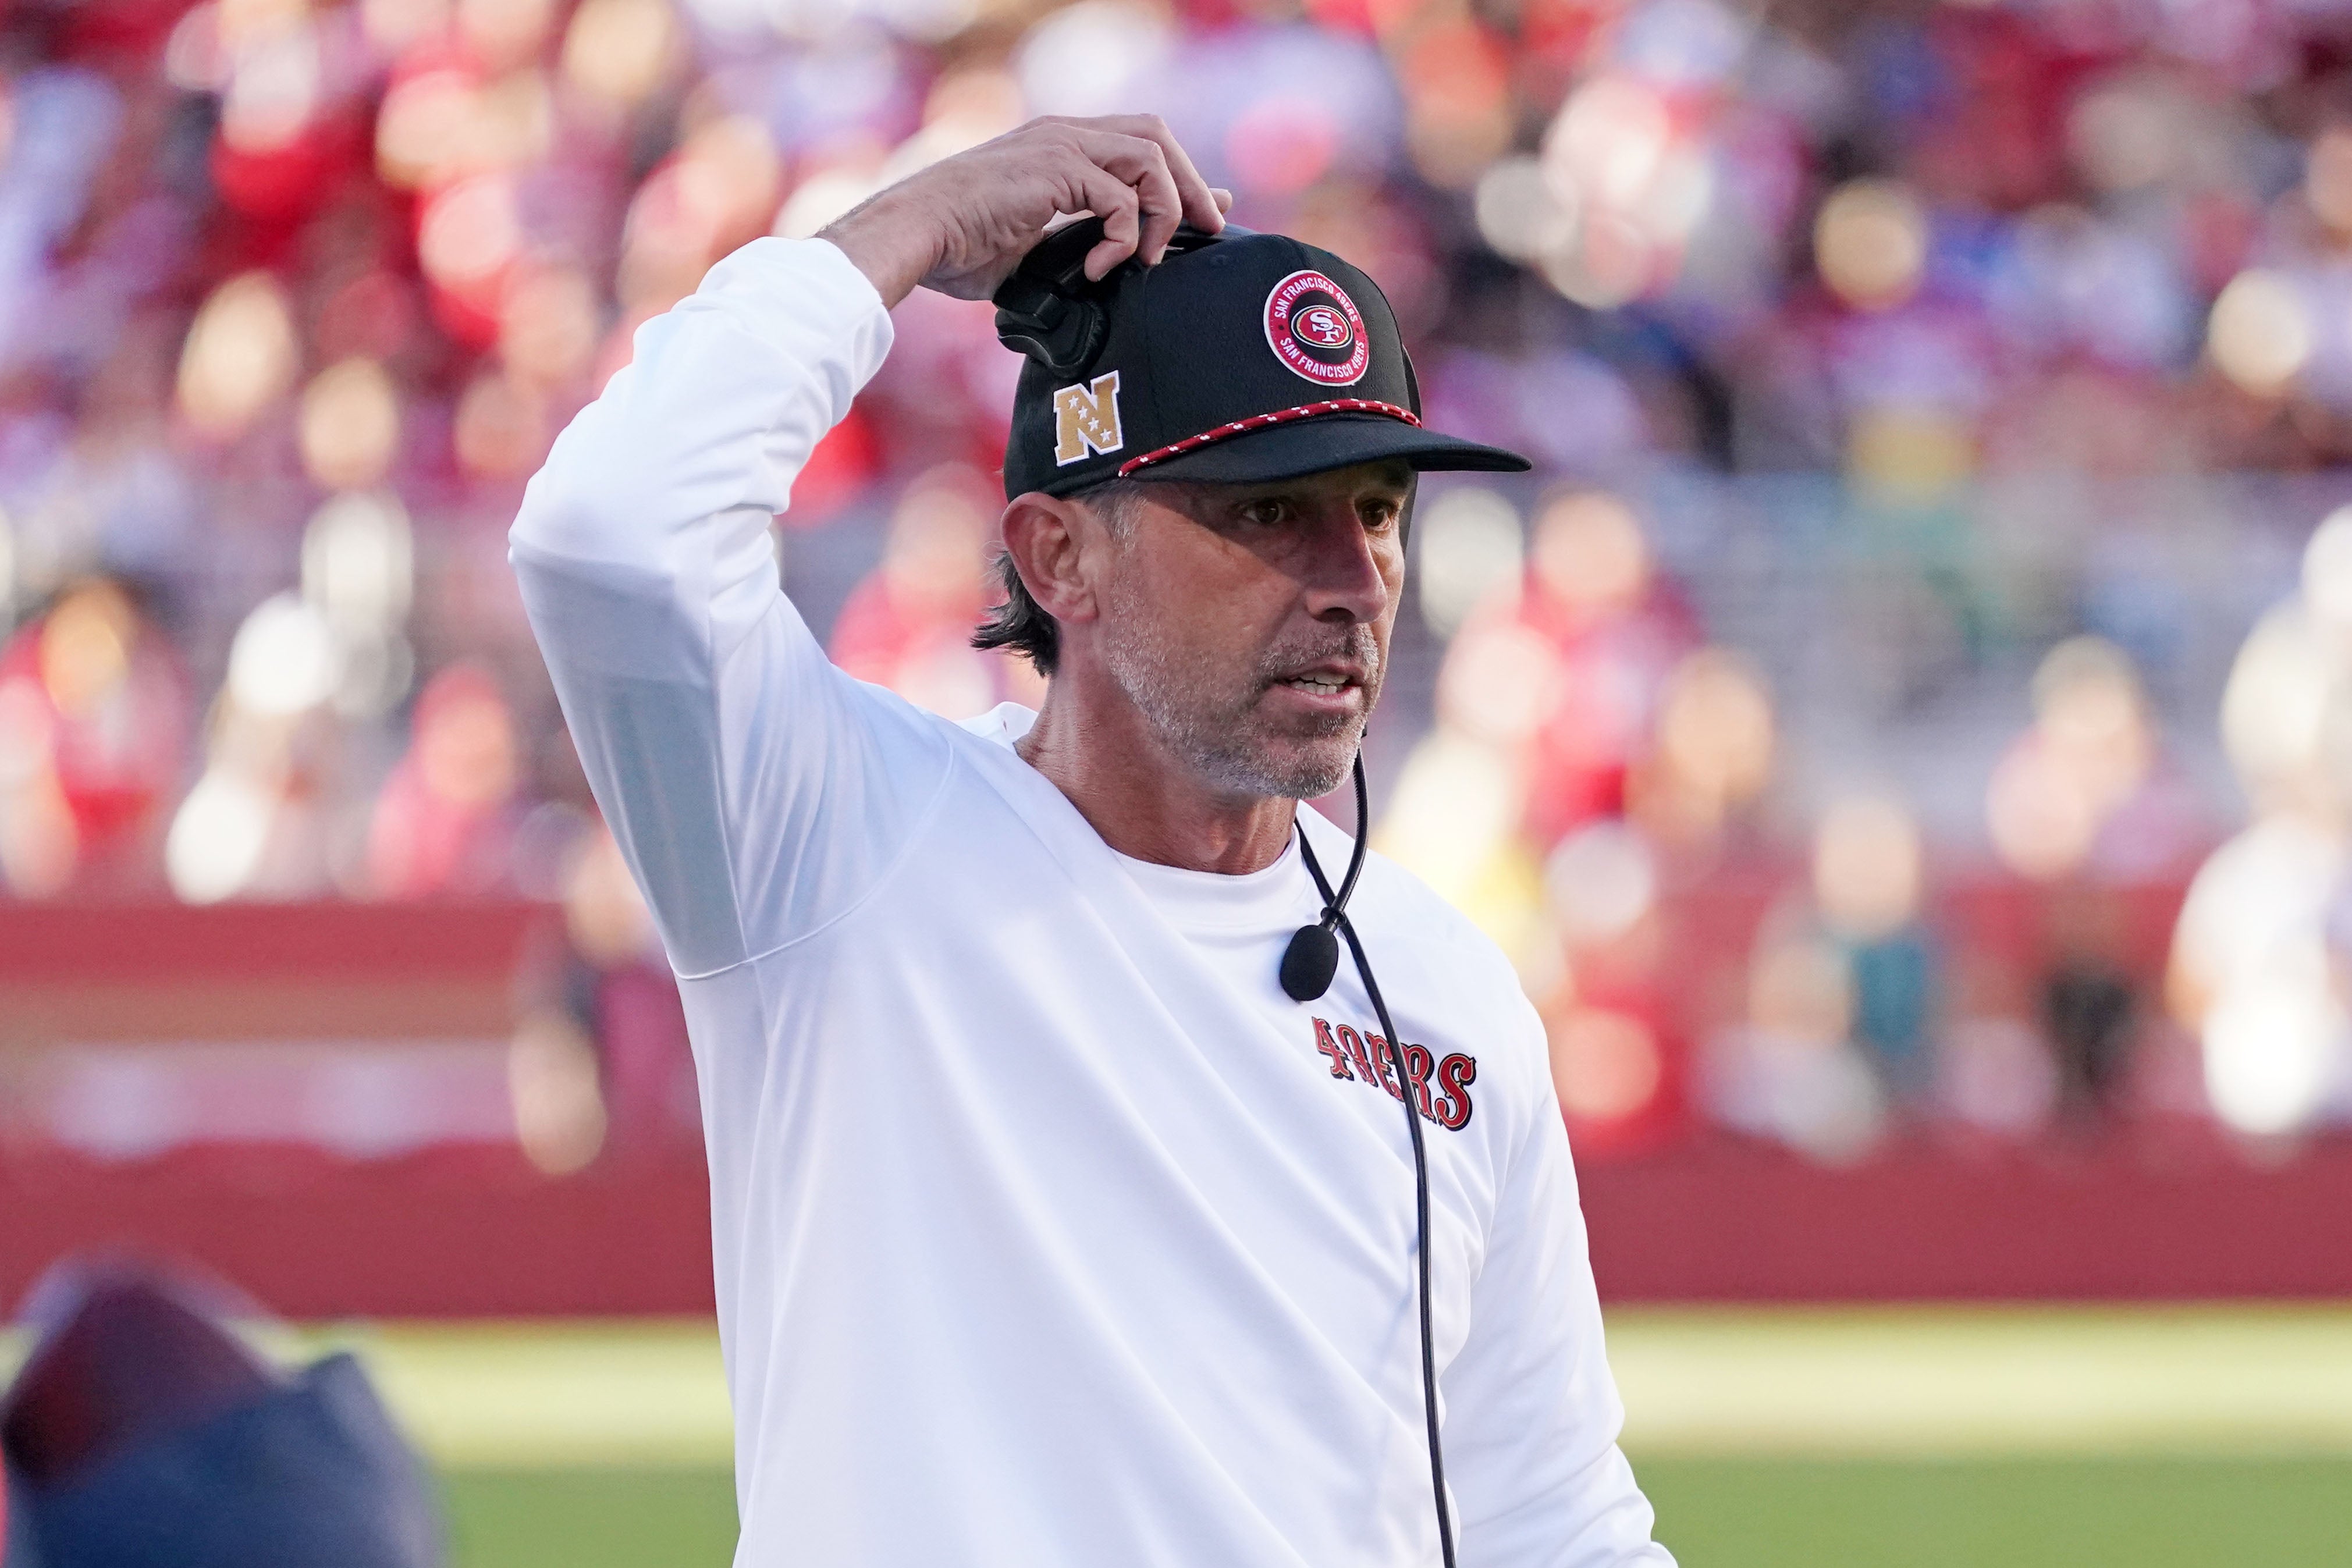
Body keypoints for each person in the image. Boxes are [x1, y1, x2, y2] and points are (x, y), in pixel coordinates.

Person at [510, 114, 1671, 1565]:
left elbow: (1547, 1516)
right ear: (1057, 555)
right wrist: (910, 227)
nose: (1355, 580)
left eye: (1377, 510)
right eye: (1267, 511)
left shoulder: (1444, 986)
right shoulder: (833, 843)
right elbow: (609, 533)